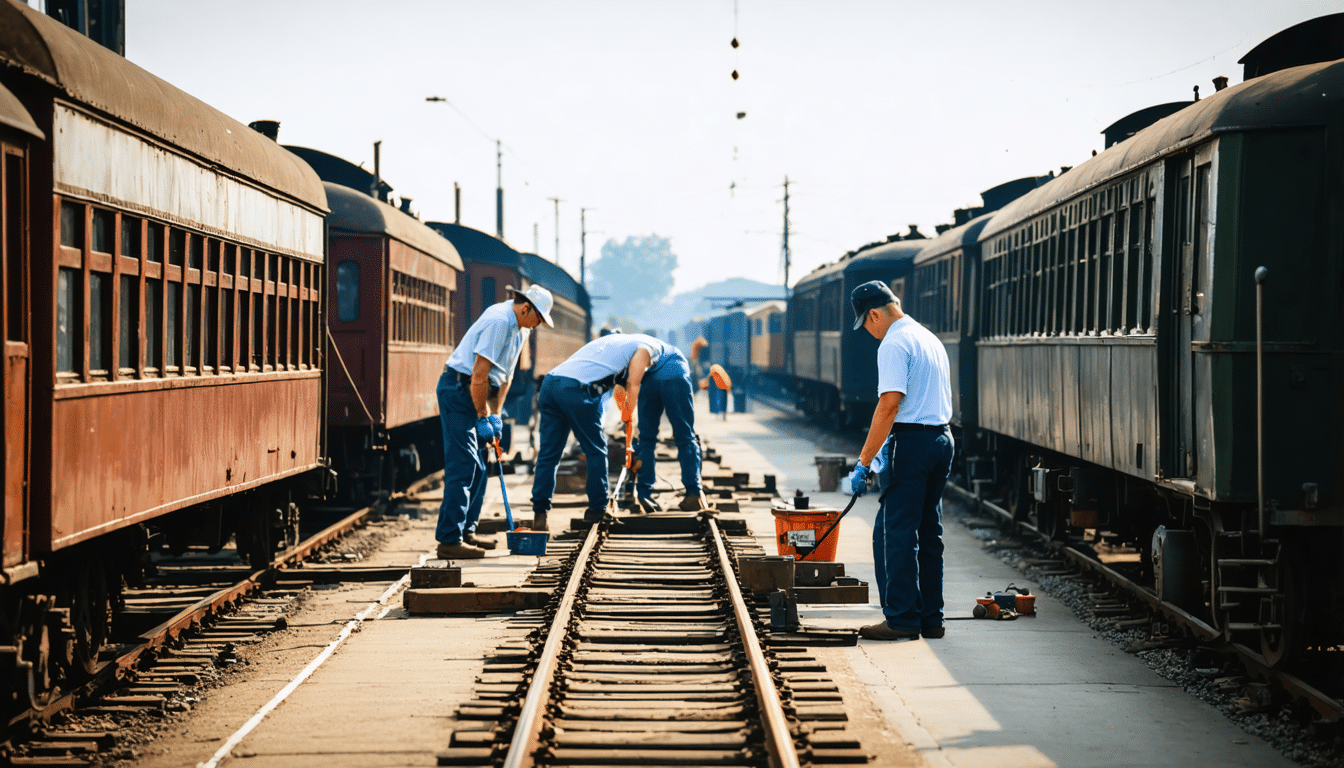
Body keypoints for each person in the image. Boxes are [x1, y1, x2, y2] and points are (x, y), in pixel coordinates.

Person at [844, 280, 954, 641]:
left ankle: (902, 618)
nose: (870, 334)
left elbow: (889, 404)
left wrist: (864, 461)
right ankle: (930, 618)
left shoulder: (894, 343)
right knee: (928, 531)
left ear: (874, 314)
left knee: (895, 532)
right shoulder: (927, 338)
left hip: (912, 444)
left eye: (867, 325)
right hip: (941, 439)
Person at [434, 285, 553, 559]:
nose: (537, 325)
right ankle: (449, 541)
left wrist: (497, 414)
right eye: (538, 319)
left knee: (479, 465)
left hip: (478, 391)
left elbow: (506, 378)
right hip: (458, 390)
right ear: (525, 308)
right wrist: (482, 415)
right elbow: (478, 375)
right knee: (463, 465)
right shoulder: (499, 322)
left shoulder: (520, 330)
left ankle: (466, 532)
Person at [530, 333, 666, 529]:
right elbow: (630, 390)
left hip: (550, 385)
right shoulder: (643, 351)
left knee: (548, 455)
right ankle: (598, 509)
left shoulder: (604, 350)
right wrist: (631, 426)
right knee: (596, 450)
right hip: (576, 389)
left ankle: (540, 517)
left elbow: (616, 398)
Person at [632, 343, 706, 513]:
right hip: (676, 376)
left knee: (646, 440)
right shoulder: (674, 354)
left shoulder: (636, 348)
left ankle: (644, 493)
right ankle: (693, 492)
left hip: (648, 380)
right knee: (685, 437)